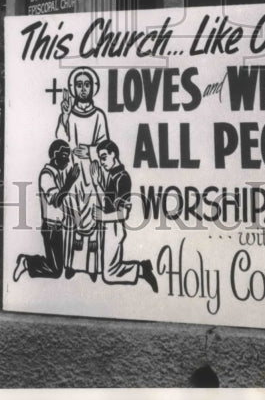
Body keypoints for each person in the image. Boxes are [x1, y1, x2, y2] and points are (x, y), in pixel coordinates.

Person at [55, 67, 110, 278]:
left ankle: (92, 268)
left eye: (87, 84)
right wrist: (65, 116)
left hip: (92, 171)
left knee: (95, 215)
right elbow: (60, 138)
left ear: (93, 88)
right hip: (74, 171)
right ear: (74, 88)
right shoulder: (69, 113)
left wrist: (91, 150)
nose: (83, 88)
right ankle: (70, 265)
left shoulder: (98, 116)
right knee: (71, 216)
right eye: (79, 85)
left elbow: (106, 144)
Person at [91, 139, 158, 292]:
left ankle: (142, 269)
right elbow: (106, 202)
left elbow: (123, 213)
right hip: (108, 226)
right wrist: (96, 183)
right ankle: (142, 269)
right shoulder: (112, 176)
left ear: (113, 154)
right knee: (108, 271)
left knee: (109, 274)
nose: (101, 163)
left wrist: (102, 217)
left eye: (103, 157)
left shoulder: (123, 178)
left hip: (114, 227)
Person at [12, 139, 79, 280]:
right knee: (55, 271)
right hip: (50, 227)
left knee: (56, 269)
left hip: (57, 226)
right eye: (64, 155)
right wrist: (69, 183)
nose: (67, 159)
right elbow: (55, 201)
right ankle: (27, 262)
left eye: (68, 155)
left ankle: (28, 262)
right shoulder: (47, 174)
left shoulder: (58, 174)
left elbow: (61, 202)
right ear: (55, 155)